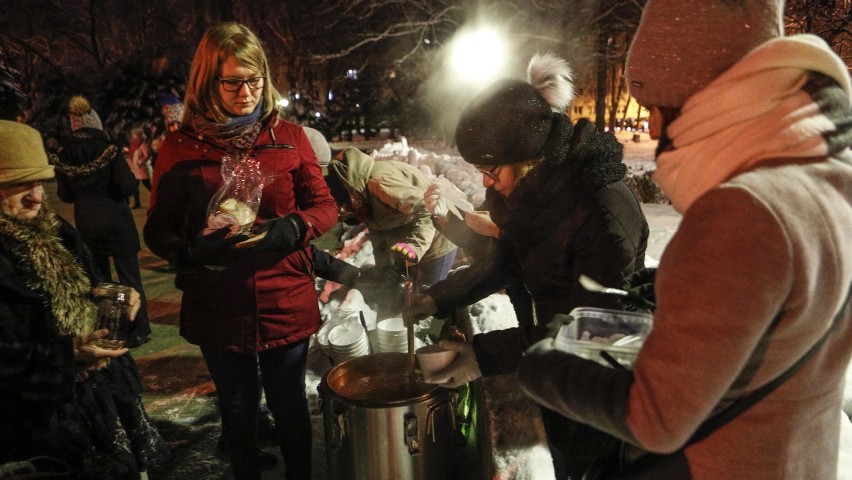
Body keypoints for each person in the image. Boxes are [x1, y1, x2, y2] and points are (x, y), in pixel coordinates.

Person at [518, 1, 852, 479]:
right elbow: (763, 336)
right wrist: (657, 299)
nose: (652, 129)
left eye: (656, 108)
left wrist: (541, 366)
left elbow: (655, 419)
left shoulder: (743, 212)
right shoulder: (831, 174)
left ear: (698, 99)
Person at [404, 52, 649, 478]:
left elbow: (599, 330)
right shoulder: (533, 197)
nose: (484, 180)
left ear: (528, 156)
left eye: (489, 168)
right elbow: (509, 261)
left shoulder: (602, 212)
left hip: (602, 391)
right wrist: (436, 298)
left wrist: (482, 355)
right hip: (555, 369)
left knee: (589, 465)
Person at [143, 22, 338, 480]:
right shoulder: (180, 147)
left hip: (284, 296)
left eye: (255, 80)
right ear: (208, 81)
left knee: (291, 407)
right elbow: (158, 229)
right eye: (233, 82)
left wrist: (294, 227)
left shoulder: (289, 136)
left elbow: (324, 206)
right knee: (237, 410)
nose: (247, 92)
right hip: (218, 303)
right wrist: (188, 253)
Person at [0, 120, 169, 479]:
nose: (37, 197)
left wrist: (120, 299)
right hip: (36, 426)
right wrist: (66, 354)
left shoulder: (56, 230)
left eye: (38, 183)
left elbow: (93, 287)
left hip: (100, 401)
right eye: (17, 186)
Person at [53, 95, 152, 348]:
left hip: (88, 224)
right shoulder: (108, 148)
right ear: (94, 121)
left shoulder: (64, 153)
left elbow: (64, 194)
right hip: (117, 222)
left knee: (102, 283)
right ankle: (138, 330)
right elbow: (128, 186)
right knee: (130, 278)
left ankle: (111, 330)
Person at [324, 147, 458, 291]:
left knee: (430, 297)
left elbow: (428, 208)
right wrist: (385, 269)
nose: (341, 213)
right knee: (408, 296)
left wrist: (415, 247)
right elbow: (378, 233)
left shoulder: (379, 184)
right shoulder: (361, 198)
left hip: (439, 236)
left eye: (340, 207)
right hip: (411, 244)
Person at [127, 127, 151, 209]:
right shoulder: (133, 144)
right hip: (135, 169)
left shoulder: (142, 145)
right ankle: (137, 203)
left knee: (147, 185)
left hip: (141, 169)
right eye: (133, 134)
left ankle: (157, 198)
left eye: (135, 135)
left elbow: (147, 155)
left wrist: (141, 161)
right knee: (135, 187)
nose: (133, 136)